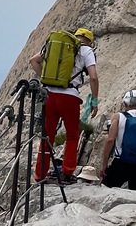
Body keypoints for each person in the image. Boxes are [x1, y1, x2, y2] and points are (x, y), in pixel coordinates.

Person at [30, 26, 99, 183]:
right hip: (69, 97)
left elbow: (33, 61)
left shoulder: (57, 45)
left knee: (47, 136)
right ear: (89, 41)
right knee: (73, 135)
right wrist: (94, 101)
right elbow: (93, 77)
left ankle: (40, 175)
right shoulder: (86, 51)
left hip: (49, 95)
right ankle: (67, 173)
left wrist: (46, 79)